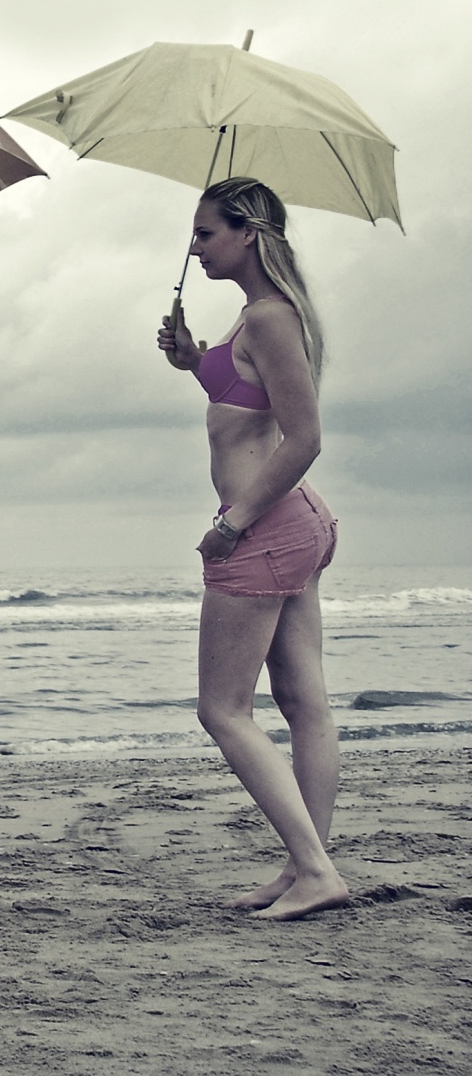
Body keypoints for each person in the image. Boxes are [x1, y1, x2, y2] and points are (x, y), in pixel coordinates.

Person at [156, 176, 348, 920]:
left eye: (206, 233)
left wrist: (233, 523)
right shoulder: (255, 316)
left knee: (223, 710)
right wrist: (192, 359)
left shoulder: (270, 318)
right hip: (291, 524)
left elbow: (304, 437)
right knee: (303, 703)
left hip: (264, 528)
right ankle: (308, 868)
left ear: (248, 233)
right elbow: (242, 398)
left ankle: (314, 869)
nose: (195, 247)